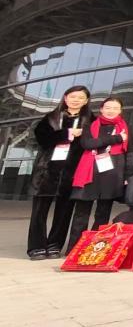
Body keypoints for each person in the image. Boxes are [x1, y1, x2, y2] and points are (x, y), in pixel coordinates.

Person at [28, 85, 92, 260]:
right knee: (39, 212)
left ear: (86, 101)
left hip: (72, 172)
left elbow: (92, 143)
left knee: (64, 212)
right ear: (65, 98)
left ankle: (54, 244)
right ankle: (36, 246)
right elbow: (41, 138)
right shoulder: (51, 117)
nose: (76, 100)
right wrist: (67, 133)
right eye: (73, 96)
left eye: (80, 97)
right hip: (47, 171)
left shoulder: (91, 120)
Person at [67, 97, 129, 252]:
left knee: (102, 215)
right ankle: (74, 248)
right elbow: (87, 144)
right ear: (101, 109)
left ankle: (94, 248)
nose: (111, 111)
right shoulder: (90, 125)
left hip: (111, 175)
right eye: (108, 107)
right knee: (81, 213)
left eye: (115, 108)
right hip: (89, 173)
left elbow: (130, 152)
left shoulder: (125, 127)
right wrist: (116, 138)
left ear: (120, 111)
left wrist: (127, 176)